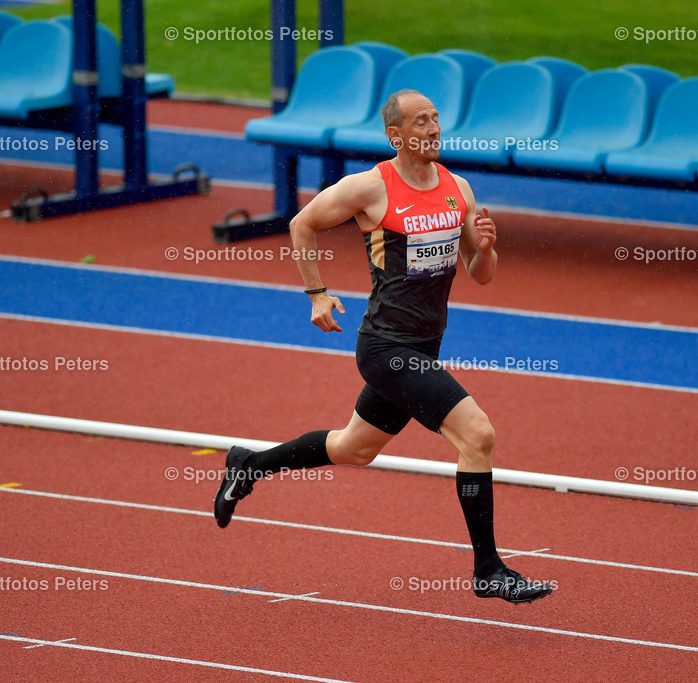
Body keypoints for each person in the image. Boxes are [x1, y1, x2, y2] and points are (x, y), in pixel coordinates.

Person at [214, 89, 553, 604]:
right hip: (385, 347)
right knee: (477, 435)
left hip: (425, 345)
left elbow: (480, 276)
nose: (434, 129)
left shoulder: (458, 189)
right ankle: (488, 568)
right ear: (396, 135)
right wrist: (317, 294)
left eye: (437, 119)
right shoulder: (371, 188)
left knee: (355, 448)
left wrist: (484, 250)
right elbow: (301, 224)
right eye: (422, 121)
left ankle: (250, 464)